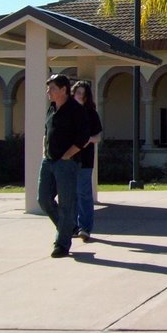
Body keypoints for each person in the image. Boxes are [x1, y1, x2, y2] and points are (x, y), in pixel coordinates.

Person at [37, 73, 89, 258]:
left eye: (52, 88)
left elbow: (84, 137)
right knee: (43, 199)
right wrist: (45, 150)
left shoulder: (76, 110)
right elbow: (47, 131)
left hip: (66, 163)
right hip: (48, 161)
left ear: (64, 90)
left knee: (67, 204)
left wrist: (67, 155)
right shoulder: (51, 108)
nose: (48, 92)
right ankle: (68, 227)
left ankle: (62, 244)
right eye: (48, 88)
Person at [71, 80, 103, 242]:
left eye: (83, 94)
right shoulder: (66, 112)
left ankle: (85, 228)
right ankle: (73, 226)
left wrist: (88, 139)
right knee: (70, 194)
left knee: (83, 193)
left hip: (85, 159)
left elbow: (98, 136)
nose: (80, 96)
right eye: (77, 93)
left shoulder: (91, 114)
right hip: (68, 159)